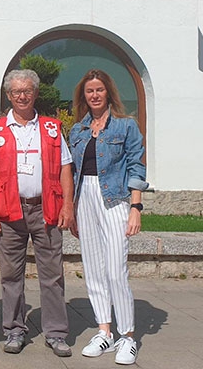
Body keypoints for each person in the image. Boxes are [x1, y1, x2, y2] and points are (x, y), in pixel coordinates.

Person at [0, 69, 75, 357]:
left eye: (27, 90)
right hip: (9, 210)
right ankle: (14, 330)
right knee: (11, 275)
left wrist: (68, 204)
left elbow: (65, 168)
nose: (22, 96)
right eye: (16, 92)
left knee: (52, 274)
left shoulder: (51, 128)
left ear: (35, 93)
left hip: (46, 208)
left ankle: (56, 333)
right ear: (8, 96)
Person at [68, 69, 148, 366]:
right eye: (89, 91)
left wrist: (136, 208)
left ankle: (127, 336)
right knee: (94, 269)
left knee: (116, 270)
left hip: (114, 199)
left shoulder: (126, 127)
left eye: (99, 90)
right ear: (83, 96)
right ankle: (105, 330)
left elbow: (136, 167)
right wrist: (71, 209)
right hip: (84, 200)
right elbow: (72, 172)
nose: (94, 95)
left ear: (108, 92)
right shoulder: (78, 131)